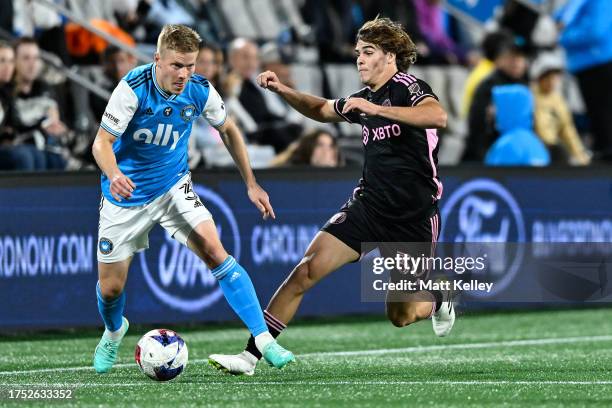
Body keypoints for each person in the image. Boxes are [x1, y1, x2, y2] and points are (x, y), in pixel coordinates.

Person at [209, 17, 452, 376]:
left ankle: (436, 299)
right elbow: (321, 109)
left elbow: (438, 116)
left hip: (412, 217)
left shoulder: (407, 86)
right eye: (358, 53)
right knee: (305, 269)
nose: (360, 60)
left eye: (368, 53)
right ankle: (249, 357)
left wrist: (377, 110)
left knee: (400, 315)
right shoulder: (362, 98)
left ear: (390, 57)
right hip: (368, 206)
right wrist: (282, 90)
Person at [91, 24, 294, 374]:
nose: (184, 74)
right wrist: (114, 174)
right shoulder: (133, 89)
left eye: (190, 65)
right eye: (176, 65)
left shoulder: (199, 90)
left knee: (216, 251)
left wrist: (251, 183)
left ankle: (264, 340)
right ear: (158, 59)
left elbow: (228, 129)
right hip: (125, 195)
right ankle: (113, 331)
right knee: (110, 290)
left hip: (173, 186)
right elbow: (101, 144)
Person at [462, 34, 528, 162]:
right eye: (512, 57)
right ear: (499, 60)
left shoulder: (524, 84)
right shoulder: (488, 86)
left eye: (521, 58)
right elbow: (478, 127)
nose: (518, 62)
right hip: (489, 154)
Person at [271, 129, 342, 167]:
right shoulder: (289, 172)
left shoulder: (343, 178)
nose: (326, 150)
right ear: (308, 147)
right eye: (320, 145)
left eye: (330, 146)